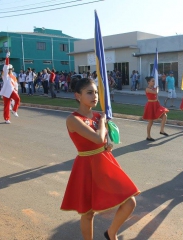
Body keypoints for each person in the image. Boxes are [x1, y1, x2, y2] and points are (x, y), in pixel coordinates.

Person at [61, 78, 140, 240]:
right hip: (86, 167)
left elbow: (103, 141)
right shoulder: (73, 119)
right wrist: (103, 122)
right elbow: (97, 138)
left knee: (130, 201)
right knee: (88, 213)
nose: (94, 96)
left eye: (96, 92)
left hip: (105, 163)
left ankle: (111, 233)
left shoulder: (97, 115)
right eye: (89, 92)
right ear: (78, 96)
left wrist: (108, 144)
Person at [142, 76, 169, 141]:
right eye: (152, 81)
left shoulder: (154, 88)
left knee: (164, 115)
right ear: (148, 82)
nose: (154, 82)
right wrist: (157, 88)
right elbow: (155, 92)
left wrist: (157, 99)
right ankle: (148, 136)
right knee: (151, 122)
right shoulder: (147, 89)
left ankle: (162, 130)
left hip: (156, 105)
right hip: (150, 106)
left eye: (154, 81)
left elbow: (155, 95)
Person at [0, 52, 20, 124]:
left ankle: (14, 110)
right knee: (6, 106)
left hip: (12, 91)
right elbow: (6, 66)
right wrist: (7, 57)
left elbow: (16, 84)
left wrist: (16, 90)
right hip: (6, 93)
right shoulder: (5, 76)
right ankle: (6, 119)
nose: (10, 70)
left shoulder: (13, 77)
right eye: (9, 69)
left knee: (17, 99)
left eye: (11, 69)